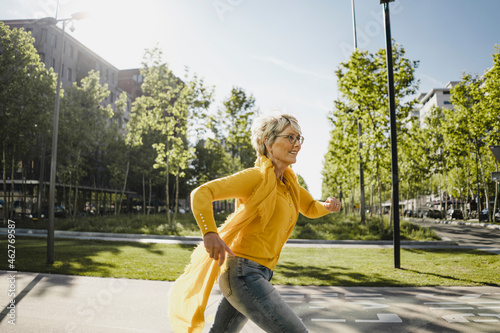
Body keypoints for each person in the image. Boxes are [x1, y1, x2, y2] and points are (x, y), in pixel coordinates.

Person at [169, 113, 341, 333]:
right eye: (290, 137)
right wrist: (210, 233)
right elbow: (202, 193)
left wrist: (326, 207)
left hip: (258, 273)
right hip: (243, 273)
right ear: (268, 142)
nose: (297, 144)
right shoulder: (257, 178)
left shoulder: (288, 185)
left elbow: (308, 207)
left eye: (299, 138)